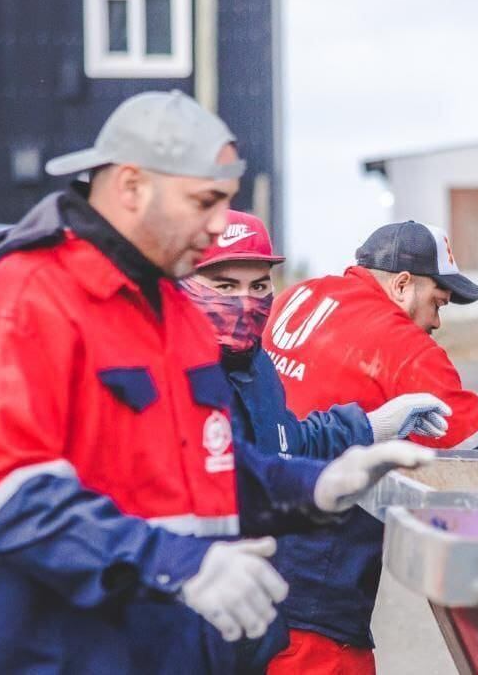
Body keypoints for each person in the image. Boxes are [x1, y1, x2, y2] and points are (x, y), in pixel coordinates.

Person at [0, 91, 437, 675]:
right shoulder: (21, 304)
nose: (218, 225)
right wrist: (182, 564)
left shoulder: (172, 311)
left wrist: (317, 483)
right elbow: (12, 498)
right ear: (131, 187)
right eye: (203, 202)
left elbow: (202, 465)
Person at [182, 211, 453, 672]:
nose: (246, 302)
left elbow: (287, 442)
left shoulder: (256, 365)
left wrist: (373, 426)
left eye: (260, 286)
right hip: (198, 614)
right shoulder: (170, 374)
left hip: (265, 606)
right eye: (225, 287)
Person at [262, 220, 478, 674]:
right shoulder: (400, 343)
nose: (436, 322)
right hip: (315, 591)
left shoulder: (298, 297)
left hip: (246, 557)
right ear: (403, 285)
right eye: (437, 302)